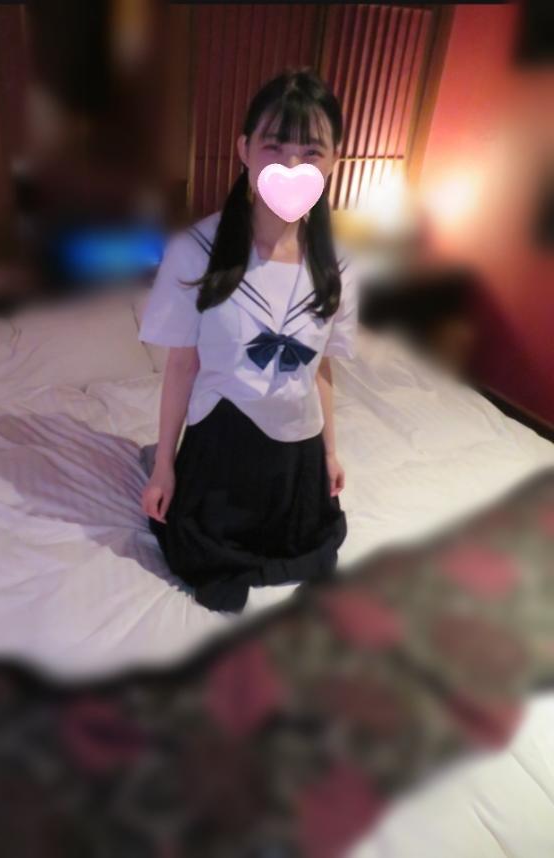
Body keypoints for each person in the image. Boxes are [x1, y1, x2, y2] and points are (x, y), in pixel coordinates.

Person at [139, 68, 361, 613]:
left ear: (334, 160)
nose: (292, 166)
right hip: (222, 448)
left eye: (311, 152)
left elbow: (320, 367)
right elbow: (181, 367)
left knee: (309, 552)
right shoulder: (195, 251)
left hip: (297, 452)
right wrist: (164, 464)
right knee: (205, 558)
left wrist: (330, 452)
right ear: (243, 150)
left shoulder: (339, 262)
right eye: (274, 147)